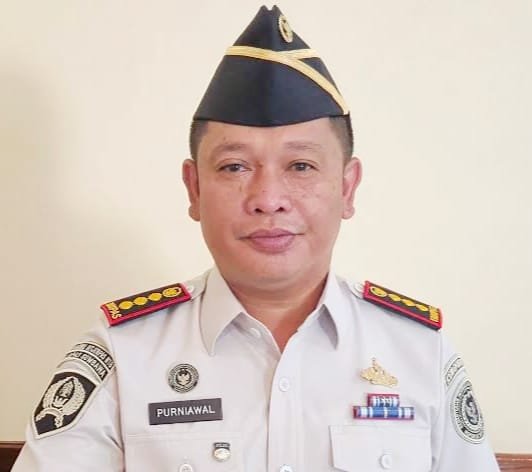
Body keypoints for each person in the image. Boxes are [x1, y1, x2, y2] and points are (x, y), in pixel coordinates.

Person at [12, 5, 500, 471]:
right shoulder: (122, 353)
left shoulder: (419, 353)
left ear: (347, 188)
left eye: (301, 166)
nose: (268, 199)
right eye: (234, 167)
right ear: (194, 189)